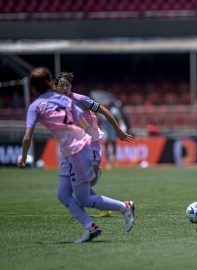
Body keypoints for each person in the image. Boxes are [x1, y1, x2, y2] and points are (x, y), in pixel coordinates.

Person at [18, 67, 135, 243]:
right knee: (63, 194)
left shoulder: (35, 106)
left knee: (83, 197)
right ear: (51, 83)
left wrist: (23, 156)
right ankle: (90, 226)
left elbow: (28, 137)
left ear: (33, 88)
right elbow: (82, 123)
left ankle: (124, 207)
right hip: (72, 151)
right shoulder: (64, 101)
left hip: (76, 150)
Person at [55, 72, 134, 217]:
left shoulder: (81, 99)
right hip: (72, 148)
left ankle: (102, 206)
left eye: (67, 85)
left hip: (90, 144)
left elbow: (105, 111)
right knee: (73, 185)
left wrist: (118, 131)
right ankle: (101, 211)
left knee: (88, 181)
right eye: (61, 85)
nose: (65, 87)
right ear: (56, 88)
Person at [97, 100, 126, 169]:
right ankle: (108, 161)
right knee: (106, 144)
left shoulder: (115, 111)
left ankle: (114, 159)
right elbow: (99, 121)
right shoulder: (101, 112)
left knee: (114, 143)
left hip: (112, 128)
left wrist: (122, 126)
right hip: (105, 129)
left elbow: (119, 119)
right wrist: (97, 129)